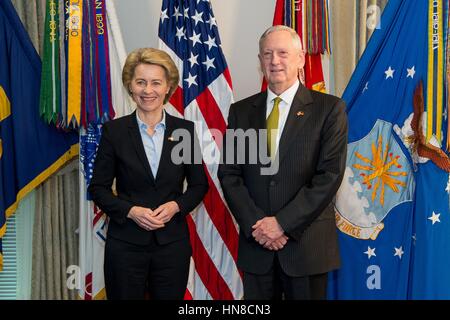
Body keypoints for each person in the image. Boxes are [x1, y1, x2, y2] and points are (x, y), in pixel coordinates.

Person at [218, 25, 348, 300]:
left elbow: (329, 176)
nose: (274, 61)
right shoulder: (241, 112)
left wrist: (282, 224)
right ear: (260, 61)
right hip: (257, 247)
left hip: (306, 247)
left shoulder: (329, 109)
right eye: (267, 54)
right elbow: (230, 175)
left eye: (282, 53)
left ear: (301, 58)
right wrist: (259, 226)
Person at [88, 48, 208, 300]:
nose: (148, 90)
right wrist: (130, 211)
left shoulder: (184, 131)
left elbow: (199, 185)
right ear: (130, 86)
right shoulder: (114, 132)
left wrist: (176, 206)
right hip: (125, 245)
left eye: (156, 83)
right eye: (140, 82)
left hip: (171, 246)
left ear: (168, 87)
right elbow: (97, 188)